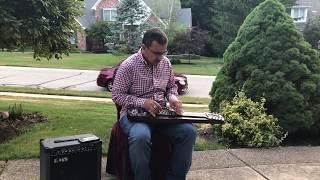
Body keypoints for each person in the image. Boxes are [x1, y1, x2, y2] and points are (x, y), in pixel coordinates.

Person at [112, 28, 197, 180]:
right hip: (134, 115)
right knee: (140, 137)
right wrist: (142, 102)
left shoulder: (166, 63)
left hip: (161, 114)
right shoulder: (128, 66)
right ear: (143, 47)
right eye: (157, 53)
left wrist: (173, 98)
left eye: (164, 52)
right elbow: (117, 95)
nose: (161, 57)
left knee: (189, 132)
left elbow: (171, 86)